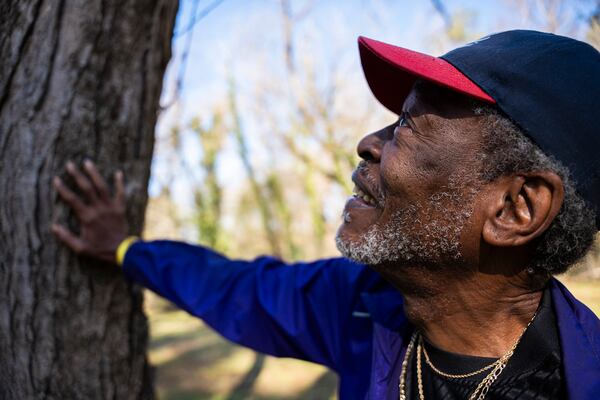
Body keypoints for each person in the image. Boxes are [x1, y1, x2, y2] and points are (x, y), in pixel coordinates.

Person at [52, 30, 600, 399]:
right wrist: (126, 249)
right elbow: (234, 288)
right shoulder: (362, 306)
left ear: (515, 208)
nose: (367, 141)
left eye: (408, 125)